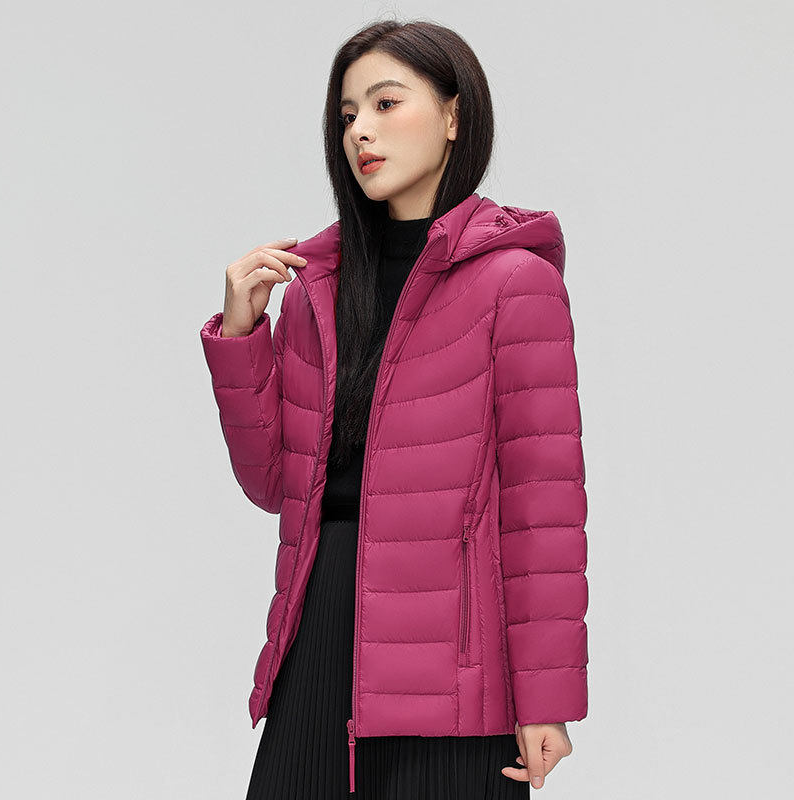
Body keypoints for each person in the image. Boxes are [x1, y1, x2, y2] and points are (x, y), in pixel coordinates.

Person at [199, 19, 588, 800]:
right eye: (347, 115)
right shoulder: (317, 291)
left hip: (453, 663)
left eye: (385, 103)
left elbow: (542, 510)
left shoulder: (515, 283)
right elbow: (276, 485)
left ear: (454, 116)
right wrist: (241, 338)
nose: (361, 132)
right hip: (322, 630)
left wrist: (547, 699)